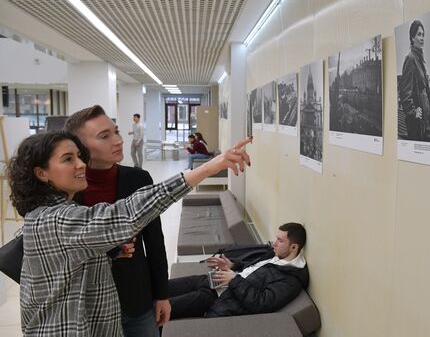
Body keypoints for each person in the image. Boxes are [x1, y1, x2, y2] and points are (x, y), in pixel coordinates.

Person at [7, 131, 251, 336]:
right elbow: (127, 212)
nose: (81, 164)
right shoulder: (56, 219)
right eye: (68, 159)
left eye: (79, 156)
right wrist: (208, 168)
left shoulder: (54, 213)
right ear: (42, 173)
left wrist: (108, 255)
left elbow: (68, 269)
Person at [64, 105, 167, 337]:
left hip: (136, 298)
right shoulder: (66, 191)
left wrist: (162, 294)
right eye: (104, 136)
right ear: (79, 147)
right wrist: (108, 251)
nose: (118, 140)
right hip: (87, 304)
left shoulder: (138, 179)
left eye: (116, 132)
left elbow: (154, 242)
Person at [168, 223, 308, 319]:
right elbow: (252, 270)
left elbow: (261, 303)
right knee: (164, 287)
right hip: (214, 280)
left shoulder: (291, 280)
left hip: (217, 298)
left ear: (294, 247)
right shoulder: (275, 255)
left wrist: (234, 280)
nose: (274, 243)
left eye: (280, 240)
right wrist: (232, 266)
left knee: (165, 306)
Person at [400, 20, 430, 142]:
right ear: (412, 38)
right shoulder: (410, 59)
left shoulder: (419, 59)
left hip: (425, 122)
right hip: (417, 125)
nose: (421, 38)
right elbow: (405, 93)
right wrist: (413, 110)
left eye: (423, 35)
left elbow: (425, 88)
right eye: (418, 34)